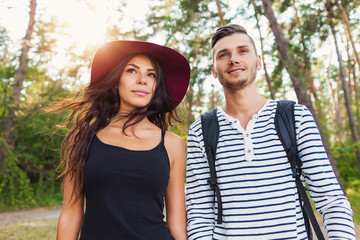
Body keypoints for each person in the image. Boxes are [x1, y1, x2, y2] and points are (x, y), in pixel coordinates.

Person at [185, 24, 356, 239]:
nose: (234, 59)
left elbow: (332, 201)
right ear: (213, 69)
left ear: (259, 60)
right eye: (223, 55)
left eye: (242, 51)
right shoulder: (201, 130)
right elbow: (199, 214)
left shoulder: (295, 117)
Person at [56, 40, 190, 240]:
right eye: (132, 71)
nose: (142, 80)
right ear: (116, 79)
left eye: (151, 74)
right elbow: (70, 215)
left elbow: (177, 221)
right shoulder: (83, 137)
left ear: (156, 85)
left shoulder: (172, 144)